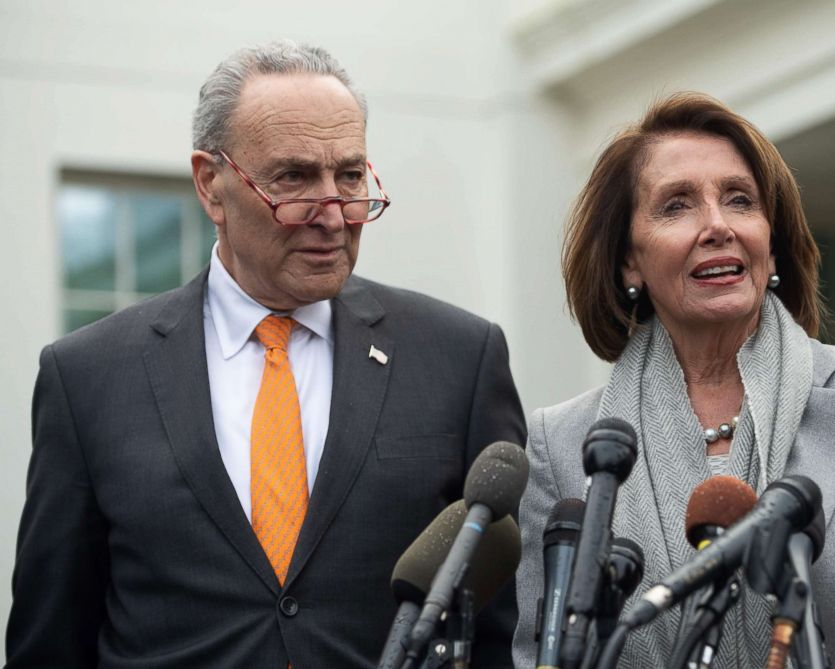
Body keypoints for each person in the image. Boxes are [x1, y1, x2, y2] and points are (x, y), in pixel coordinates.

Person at [7, 40, 525, 668]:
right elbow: (50, 643)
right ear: (210, 185)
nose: (333, 214)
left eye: (352, 176)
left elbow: (497, 637)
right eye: (294, 178)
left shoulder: (459, 359)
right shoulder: (87, 377)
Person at [513, 92, 835, 668]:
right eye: (676, 206)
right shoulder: (563, 446)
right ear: (628, 262)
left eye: (740, 200)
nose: (717, 225)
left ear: (771, 245)